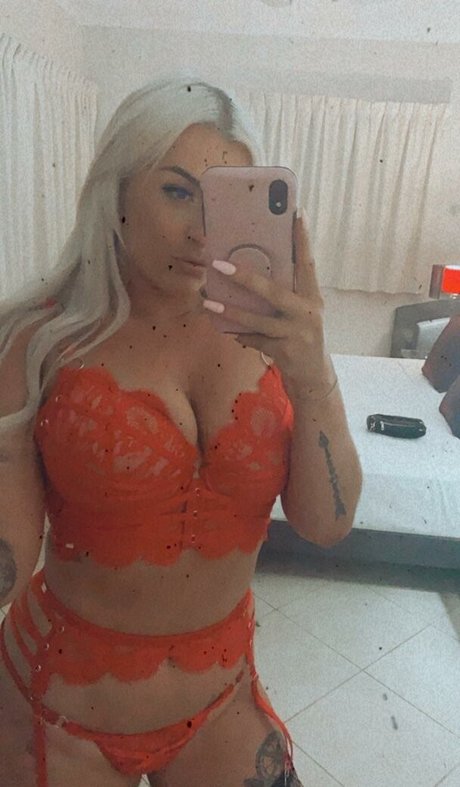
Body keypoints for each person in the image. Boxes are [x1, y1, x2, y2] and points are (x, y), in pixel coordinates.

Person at [0, 75, 362, 786]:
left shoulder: (272, 341)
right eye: (176, 191)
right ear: (116, 191)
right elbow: (10, 546)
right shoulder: (38, 340)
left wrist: (315, 373)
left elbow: (328, 525)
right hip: (58, 712)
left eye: (224, 201)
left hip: (220, 699)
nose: (202, 231)